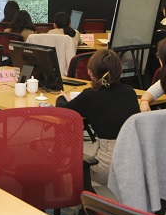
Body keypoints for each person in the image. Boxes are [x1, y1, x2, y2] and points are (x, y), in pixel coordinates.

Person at [57, 49, 139, 185]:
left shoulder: (90, 95)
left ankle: (67, 189)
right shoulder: (130, 92)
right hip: (133, 159)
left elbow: (62, 112)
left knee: (61, 148)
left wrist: (61, 98)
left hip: (107, 165)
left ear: (90, 72)